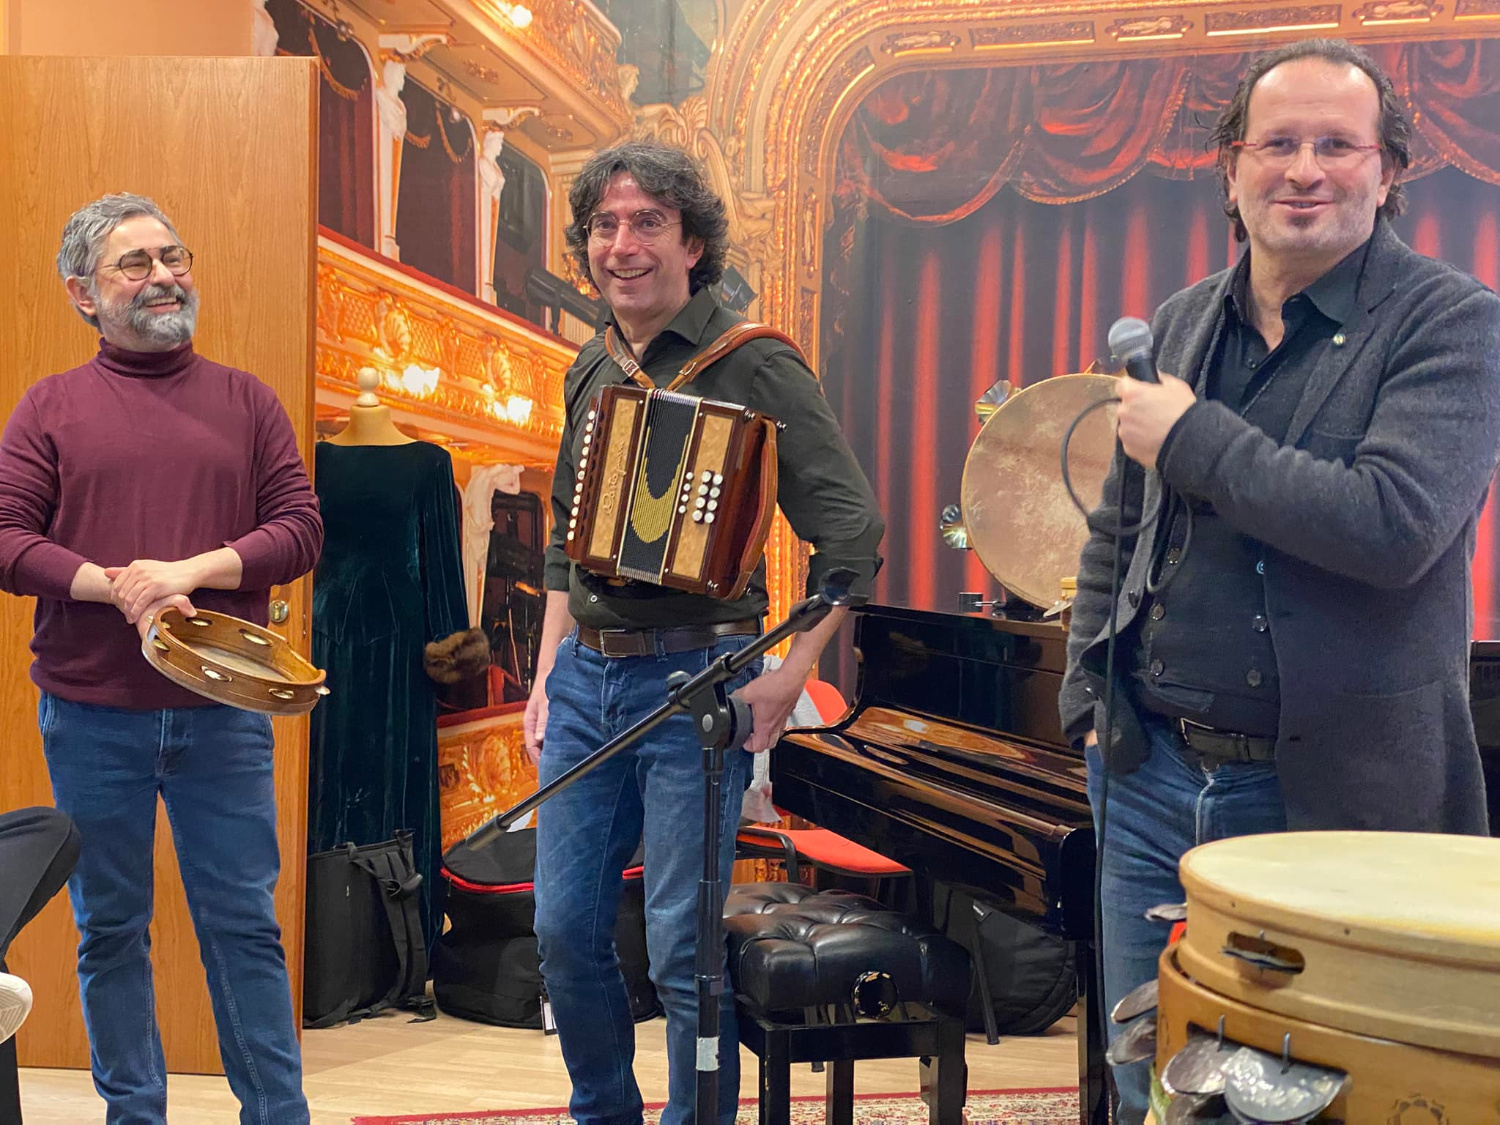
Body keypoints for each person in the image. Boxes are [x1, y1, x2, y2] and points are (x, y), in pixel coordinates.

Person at [1060, 38, 1500, 1123]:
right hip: (1148, 774)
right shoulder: (1182, 321)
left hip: (1327, 804)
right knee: (1145, 1079)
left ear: (1389, 172)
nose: (1305, 169)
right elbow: (1122, 526)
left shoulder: (1454, 322)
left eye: (1337, 145)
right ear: (1232, 167)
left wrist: (1194, 438)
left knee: (1310, 1105)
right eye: (1278, 143)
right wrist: (1088, 694)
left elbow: (1392, 526)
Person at [526, 140, 883, 1125]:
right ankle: (604, 1111)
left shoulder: (755, 361)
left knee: (684, 950)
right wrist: (546, 673)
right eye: (605, 225)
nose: (622, 245)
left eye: (647, 223)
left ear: (692, 244)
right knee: (562, 932)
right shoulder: (590, 363)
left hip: (699, 683)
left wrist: (789, 673)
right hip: (586, 684)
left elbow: (852, 533)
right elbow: (563, 538)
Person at [0, 193, 322, 1125]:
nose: (163, 277)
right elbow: (9, 540)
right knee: (109, 928)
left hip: (225, 715)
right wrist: (117, 586)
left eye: (173, 257)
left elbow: (299, 529)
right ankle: (134, 1114)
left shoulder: (248, 401)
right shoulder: (49, 407)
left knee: (243, 926)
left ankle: (279, 1114)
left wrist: (186, 571)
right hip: (90, 712)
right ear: (83, 293)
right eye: (135, 264)